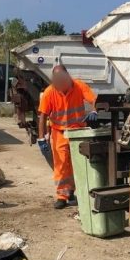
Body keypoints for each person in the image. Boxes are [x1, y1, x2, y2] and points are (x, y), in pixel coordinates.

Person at [37, 64, 98, 209]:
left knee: (80, 164)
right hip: (59, 132)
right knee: (61, 165)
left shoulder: (78, 86)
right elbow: (42, 115)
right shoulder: (49, 92)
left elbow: (94, 99)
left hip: (78, 132)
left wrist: (95, 110)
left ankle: (78, 192)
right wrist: (41, 138)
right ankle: (62, 196)